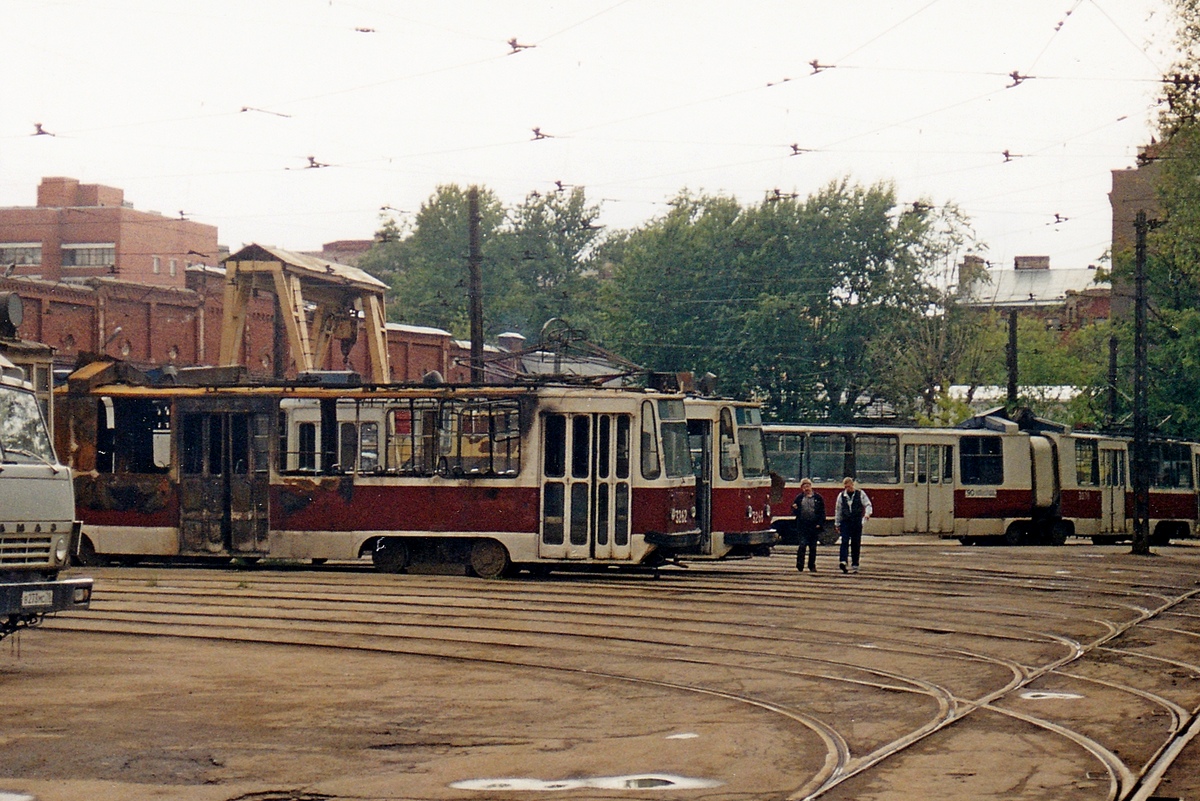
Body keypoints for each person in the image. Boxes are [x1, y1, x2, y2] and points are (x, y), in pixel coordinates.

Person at [833, 476, 872, 574]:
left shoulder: (860, 494)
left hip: (856, 521)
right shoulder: (841, 496)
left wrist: (867, 514)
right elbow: (838, 510)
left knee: (856, 543)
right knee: (844, 541)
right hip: (845, 521)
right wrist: (837, 523)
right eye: (846, 487)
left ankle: (855, 564)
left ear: (852, 485)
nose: (847, 488)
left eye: (849, 486)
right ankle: (843, 561)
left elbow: (868, 504)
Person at [790, 478, 826, 573]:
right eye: (804, 486)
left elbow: (822, 512)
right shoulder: (799, 498)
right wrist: (794, 509)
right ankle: (800, 564)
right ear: (802, 488)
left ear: (811, 486)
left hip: (814, 526)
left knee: (813, 547)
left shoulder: (818, 498)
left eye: (807, 486)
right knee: (802, 545)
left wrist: (820, 523)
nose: (806, 488)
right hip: (802, 525)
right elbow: (794, 511)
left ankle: (811, 565)